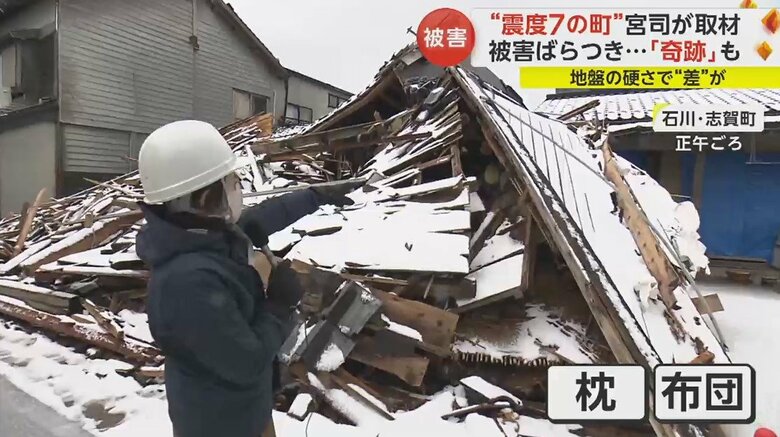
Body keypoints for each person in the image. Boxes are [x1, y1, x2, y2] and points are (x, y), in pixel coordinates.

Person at [135, 120, 351, 437]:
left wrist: (314, 196)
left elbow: (256, 219)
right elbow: (246, 363)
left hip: (243, 410)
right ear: (207, 199)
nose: (239, 186)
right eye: (232, 181)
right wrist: (278, 305)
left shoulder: (196, 233)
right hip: (221, 425)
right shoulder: (187, 285)